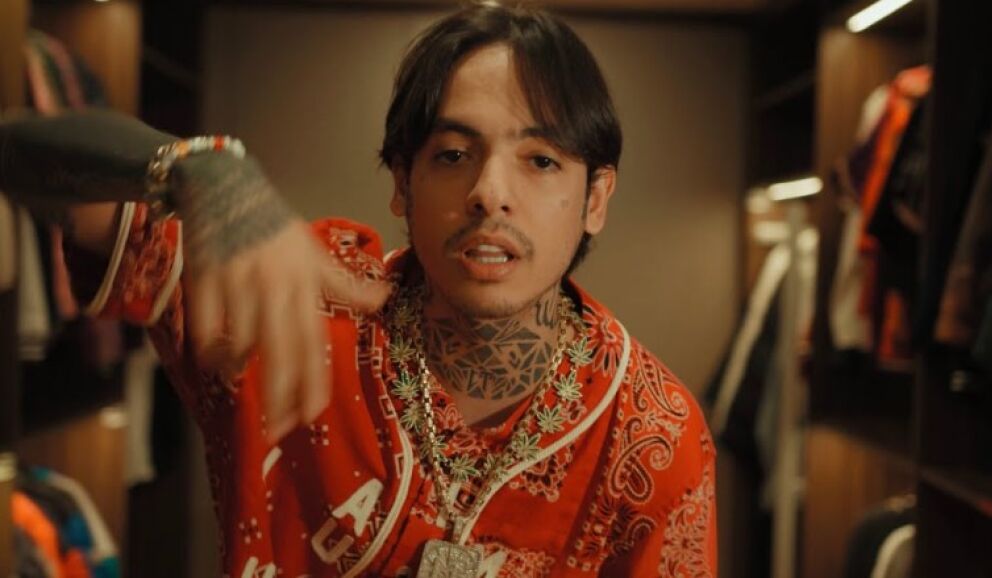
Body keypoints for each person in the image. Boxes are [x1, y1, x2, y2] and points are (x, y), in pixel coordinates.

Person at [1, 3, 716, 577]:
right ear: (403, 184)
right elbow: (15, 153)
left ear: (596, 199)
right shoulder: (289, 300)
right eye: (453, 154)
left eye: (541, 161)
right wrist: (192, 167)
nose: (490, 192)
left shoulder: (653, 435)